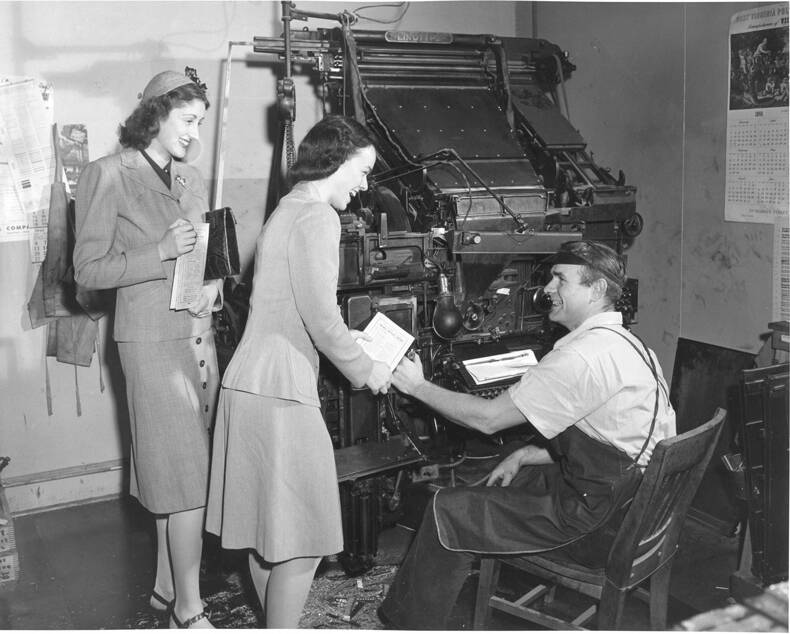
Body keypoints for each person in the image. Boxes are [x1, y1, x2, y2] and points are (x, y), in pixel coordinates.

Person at [378, 240, 676, 630]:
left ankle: (404, 625)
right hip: (636, 510)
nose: (546, 289)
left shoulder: (579, 357)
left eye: (560, 279)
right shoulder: (633, 345)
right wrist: (526, 455)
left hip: (596, 526)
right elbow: (617, 441)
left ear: (598, 290)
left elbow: (486, 420)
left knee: (446, 507)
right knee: (511, 469)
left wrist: (417, 386)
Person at [205, 115, 393, 628]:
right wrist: (365, 369)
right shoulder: (317, 216)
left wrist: (346, 343)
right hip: (282, 392)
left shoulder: (286, 209)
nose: (363, 184)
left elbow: (292, 309)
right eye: (362, 170)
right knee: (305, 543)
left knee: (268, 539)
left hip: (247, 382)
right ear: (337, 161)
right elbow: (320, 314)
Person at [73, 69, 222, 629]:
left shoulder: (192, 178)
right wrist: (157, 251)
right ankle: (190, 611)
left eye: (200, 123)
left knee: (172, 471)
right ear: (155, 115)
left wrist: (214, 285)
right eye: (187, 121)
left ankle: (165, 589)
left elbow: (210, 255)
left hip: (196, 338)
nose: (194, 134)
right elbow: (86, 271)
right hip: (149, 343)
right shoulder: (106, 175)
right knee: (187, 480)